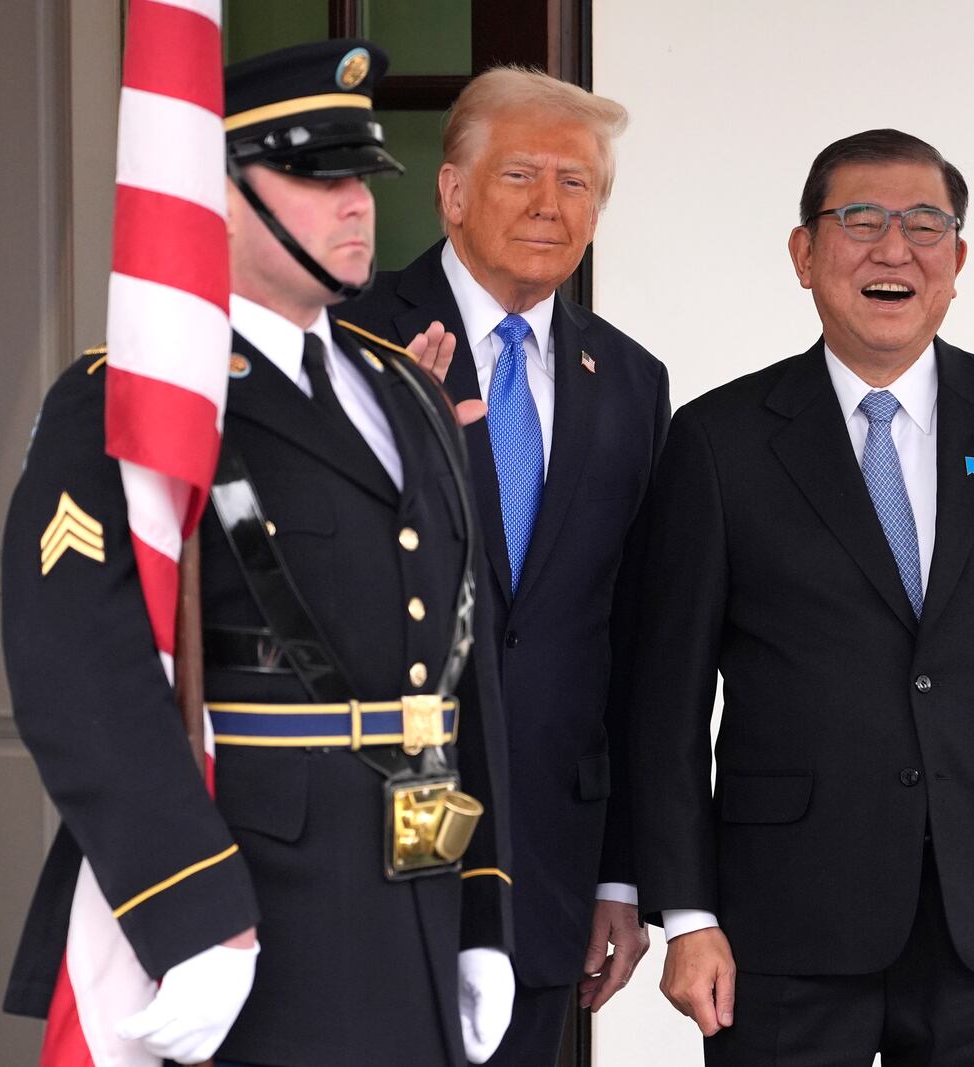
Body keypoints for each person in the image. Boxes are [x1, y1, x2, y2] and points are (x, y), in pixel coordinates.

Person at [1, 40, 515, 1066]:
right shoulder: (135, 396)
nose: (358, 204)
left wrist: (485, 904)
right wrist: (189, 905)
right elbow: (80, 669)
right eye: (317, 176)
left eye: (363, 176)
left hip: (414, 891)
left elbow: (465, 658)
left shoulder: (401, 385)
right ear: (215, 195)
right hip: (253, 893)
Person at [632, 128, 974, 1066]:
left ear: (958, 259)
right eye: (860, 219)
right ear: (804, 254)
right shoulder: (719, 438)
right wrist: (688, 915)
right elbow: (664, 701)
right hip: (780, 925)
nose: (893, 248)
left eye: (925, 224)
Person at [340, 66, 668, 1066]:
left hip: (548, 867)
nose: (548, 204)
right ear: (449, 191)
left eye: (577, 184)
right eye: (520, 173)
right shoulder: (348, 339)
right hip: (369, 850)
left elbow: (634, 638)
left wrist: (623, 875)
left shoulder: (628, 380)